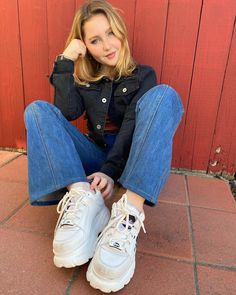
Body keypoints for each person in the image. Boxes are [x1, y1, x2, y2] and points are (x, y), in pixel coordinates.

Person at [24, 0, 183, 292]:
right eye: (95, 40)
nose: (108, 45)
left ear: (121, 32)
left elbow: (133, 125)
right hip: (93, 159)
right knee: (37, 110)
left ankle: (128, 213)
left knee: (165, 96)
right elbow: (66, 112)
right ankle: (82, 198)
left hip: (128, 162)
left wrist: (111, 171)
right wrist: (65, 63)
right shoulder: (87, 79)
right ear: (86, 46)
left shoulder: (142, 75)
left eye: (111, 33)